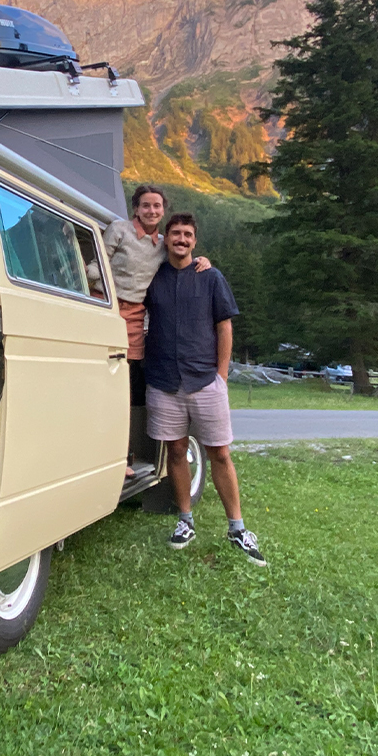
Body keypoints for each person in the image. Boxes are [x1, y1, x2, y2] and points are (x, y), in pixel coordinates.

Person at [143, 212, 266, 565]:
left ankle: (238, 528)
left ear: (194, 241)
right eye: (175, 234)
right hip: (164, 381)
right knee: (177, 452)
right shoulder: (153, 278)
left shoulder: (210, 276)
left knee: (220, 454)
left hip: (204, 379)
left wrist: (221, 377)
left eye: (187, 235)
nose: (181, 239)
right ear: (166, 239)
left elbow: (224, 327)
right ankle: (185, 521)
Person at [93, 186, 210, 478]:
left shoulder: (161, 244)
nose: (151, 211)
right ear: (136, 209)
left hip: (134, 317)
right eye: (145, 206)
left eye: (157, 206)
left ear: (163, 210)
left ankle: (122, 456)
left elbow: (181, 255)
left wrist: (202, 262)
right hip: (104, 305)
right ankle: (94, 452)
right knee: (95, 380)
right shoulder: (119, 230)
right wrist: (86, 276)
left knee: (126, 388)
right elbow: (99, 263)